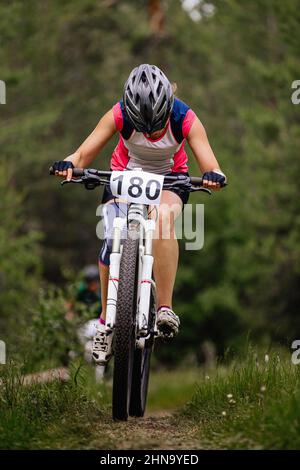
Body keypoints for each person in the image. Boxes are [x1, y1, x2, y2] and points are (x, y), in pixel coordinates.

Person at [52, 64, 227, 366]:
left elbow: (210, 162)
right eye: (142, 126)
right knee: (110, 237)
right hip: (125, 176)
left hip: (171, 179)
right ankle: (107, 321)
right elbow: (82, 154)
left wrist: (213, 174)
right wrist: (68, 164)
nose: (149, 132)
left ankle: (164, 309)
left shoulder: (186, 118)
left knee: (162, 223)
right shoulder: (118, 114)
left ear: (167, 110)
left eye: (156, 127)